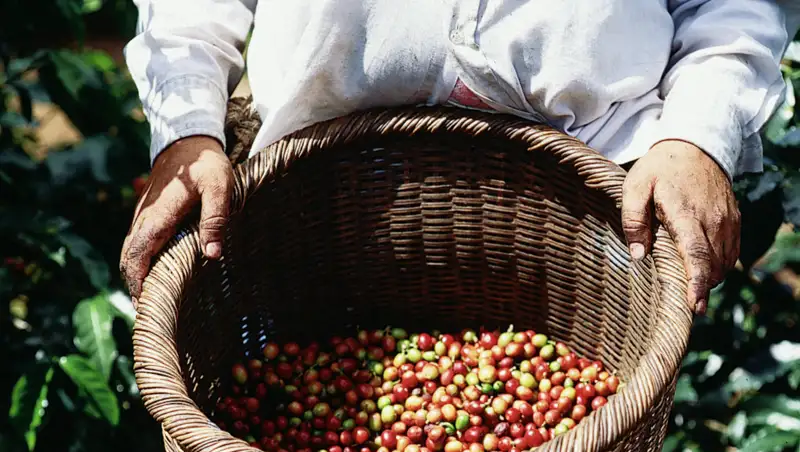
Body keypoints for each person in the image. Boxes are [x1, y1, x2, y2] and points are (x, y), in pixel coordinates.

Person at [121, 0, 800, 314]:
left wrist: (696, 134)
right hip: (307, 191)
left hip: (596, 205)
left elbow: (737, 4)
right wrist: (188, 126)